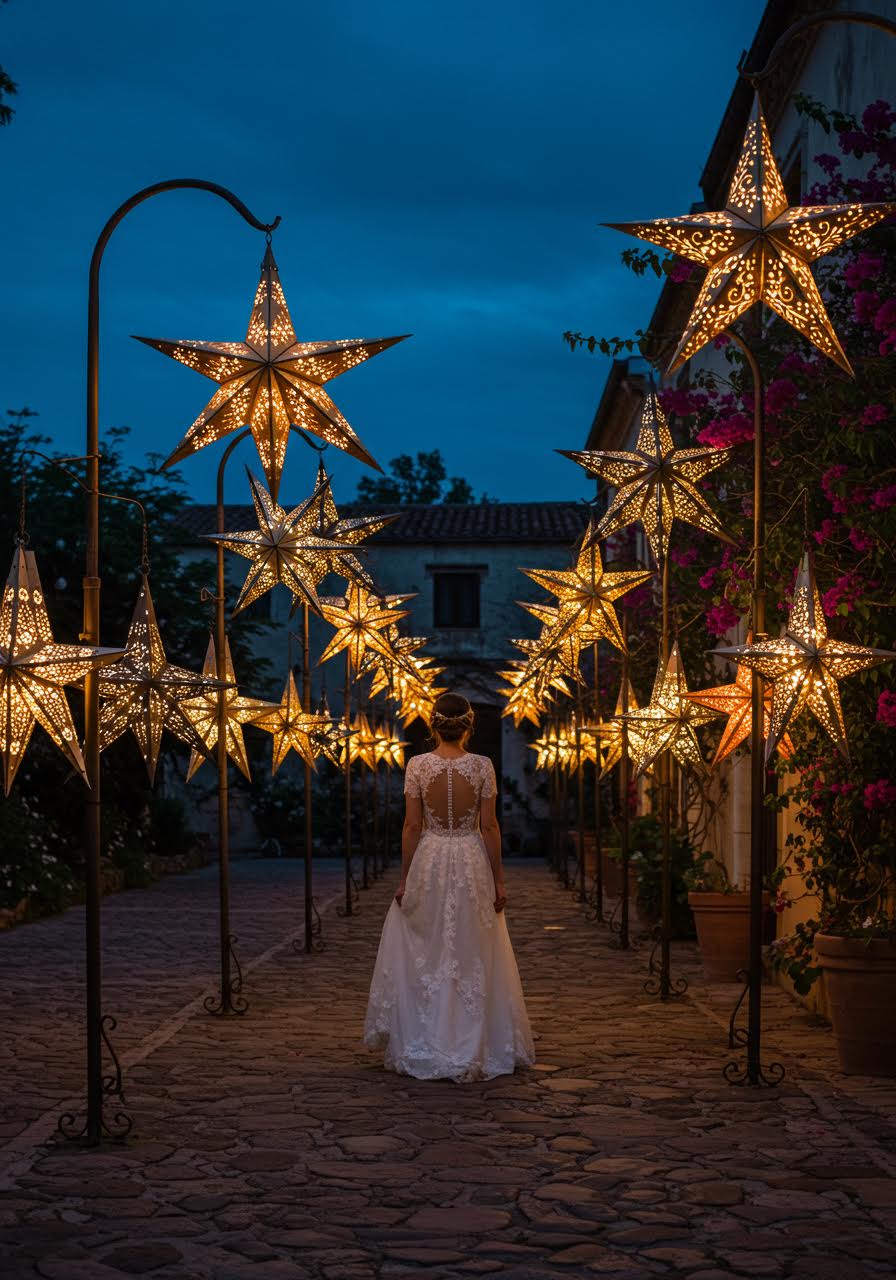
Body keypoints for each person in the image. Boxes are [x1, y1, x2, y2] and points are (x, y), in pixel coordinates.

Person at [363, 692, 535, 1081]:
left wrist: (405, 877)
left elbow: (411, 826)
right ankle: (472, 1037)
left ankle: (427, 1032)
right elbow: (489, 826)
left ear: (432, 724)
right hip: (471, 858)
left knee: (430, 945)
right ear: (469, 726)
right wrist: (499, 878)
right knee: (472, 945)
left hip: (431, 859)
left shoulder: (418, 766)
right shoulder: (483, 766)